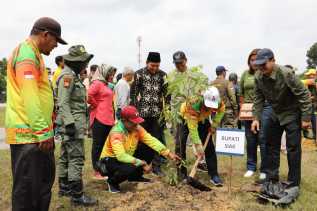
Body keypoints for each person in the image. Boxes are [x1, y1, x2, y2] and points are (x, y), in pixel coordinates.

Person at [5, 17, 67, 211]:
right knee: (28, 193)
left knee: (40, 189)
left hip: (35, 136)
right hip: (29, 136)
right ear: (45, 34)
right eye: (56, 40)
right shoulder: (26, 54)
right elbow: (30, 94)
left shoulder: (33, 54)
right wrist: (42, 130)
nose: (56, 45)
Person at [252, 48, 311, 190]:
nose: (261, 68)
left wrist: (306, 118)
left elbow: (303, 94)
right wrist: (256, 118)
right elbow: (258, 98)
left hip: (291, 112)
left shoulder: (286, 74)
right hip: (275, 112)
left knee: (293, 148)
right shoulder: (258, 76)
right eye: (259, 65)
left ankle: (293, 182)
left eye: (264, 64)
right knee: (272, 146)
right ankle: (272, 178)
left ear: (273, 61)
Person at [99, 106, 180, 193]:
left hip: (126, 156)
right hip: (109, 161)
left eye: (136, 122)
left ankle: (135, 177)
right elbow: (121, 156)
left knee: (149, 148)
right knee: (131, 166)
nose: (136, 125)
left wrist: (168, 153)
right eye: (133, 122)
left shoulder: (136, 128)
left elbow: (151, 140)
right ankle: (112, 182)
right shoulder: (116, 133)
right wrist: (141, 163)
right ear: (124, 120)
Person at [56, 45, 97, 206]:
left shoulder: (71, 75)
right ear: (76, 62)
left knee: (66, 155)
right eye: (83, 62)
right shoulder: (69, 77)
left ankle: (65, 187)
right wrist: (71, 124)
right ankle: (77, 195)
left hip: (70, 122)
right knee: (76, 158)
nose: (85, 65)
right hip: (72, 123)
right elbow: (63, 102)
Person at [167, 51, 209, 172]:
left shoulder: (194, 74)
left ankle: (204, 164)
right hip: (179, 115)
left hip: (193, 112)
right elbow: (168, 94)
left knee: (200, 139)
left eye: (181, 62)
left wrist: (201, 90)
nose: (179, 65)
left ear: (186, 60)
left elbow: (205, 81)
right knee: (180, 142)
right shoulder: (171, 76)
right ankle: (181, 170)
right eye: (176, 63)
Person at [130, 52, 169, 176]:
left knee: (157, 140)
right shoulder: (139, 74)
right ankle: (140, 166)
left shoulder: (163, 76)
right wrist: (135, 113)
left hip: (157, 115)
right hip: (142, 115)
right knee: (141, 141)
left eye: (157, 66)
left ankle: (157, 167)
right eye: (152, 65)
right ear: (147, 63)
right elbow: (133, 95)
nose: (155, 68)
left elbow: (167, 95)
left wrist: (166, 111)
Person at [178, 86, 225, 186]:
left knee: (209, 147)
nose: (212, 108)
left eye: (213, 106)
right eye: (209, 106)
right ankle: (182, 174)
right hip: (185, 118)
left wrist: (215, 124)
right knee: (181, 144)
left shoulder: (218, 101)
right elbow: (192, 127)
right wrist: (198, 144)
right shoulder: (194, 103)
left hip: (202, 118)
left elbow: (222, 110)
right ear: (204, 99)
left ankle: (214, 175)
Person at [240, 49, 267, 179]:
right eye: (251, 60)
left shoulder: (264, 73)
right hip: (247, 110)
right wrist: (242, 107)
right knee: (250, 140)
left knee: (263, 139)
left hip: (263, 109)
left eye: (256, 59)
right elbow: (240, 93)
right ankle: (251, 167)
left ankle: (264, 169)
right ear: (248, 61)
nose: (254, 62)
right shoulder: (245, 74)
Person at [88, 64, 116, 180]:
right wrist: (96, 105)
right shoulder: (97, 83)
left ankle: (104, 169)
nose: (112, 75)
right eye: (110, 73)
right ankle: (97, 171)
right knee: (98, 146)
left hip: (108, 119)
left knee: (105, 146)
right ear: (104, 72)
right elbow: (88, 95)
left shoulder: (104, 84)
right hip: (99, 119)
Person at [302, 68, 317, 140]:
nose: (309, 77)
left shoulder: (314, 84)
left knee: (314, 123)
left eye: (311, 75)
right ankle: (306, 134)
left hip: (313, 108)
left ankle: (315, 136)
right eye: (308, 75)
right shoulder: (306, 83)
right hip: (307, 107)